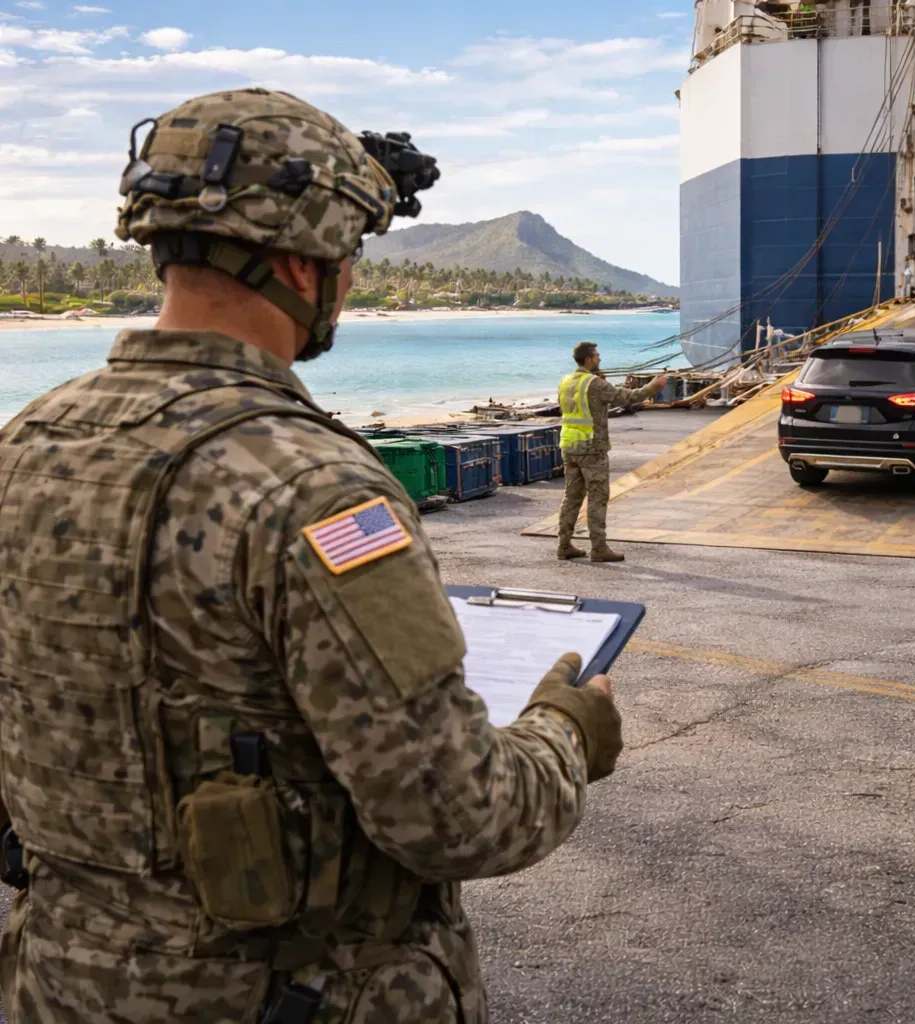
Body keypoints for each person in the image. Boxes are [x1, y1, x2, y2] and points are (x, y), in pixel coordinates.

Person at [0, 89, 623, 1024]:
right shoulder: (320, 490)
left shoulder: (25, 444)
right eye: (350, 257)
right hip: (286, 995)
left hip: (57, 984)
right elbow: (459, 816)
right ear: (303, 260)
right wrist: (567, 730)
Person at [557, 343, 667, 562]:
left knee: (571, 497)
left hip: (569, 445)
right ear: (588, 360)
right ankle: (599, 548)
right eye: (597, 356)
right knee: (597, 497)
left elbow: (583, 405)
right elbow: (627, 397)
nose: (599, 359)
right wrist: (653, 387)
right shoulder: (593, 383)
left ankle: (564, 545)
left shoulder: (566, 381)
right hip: (591, 447)